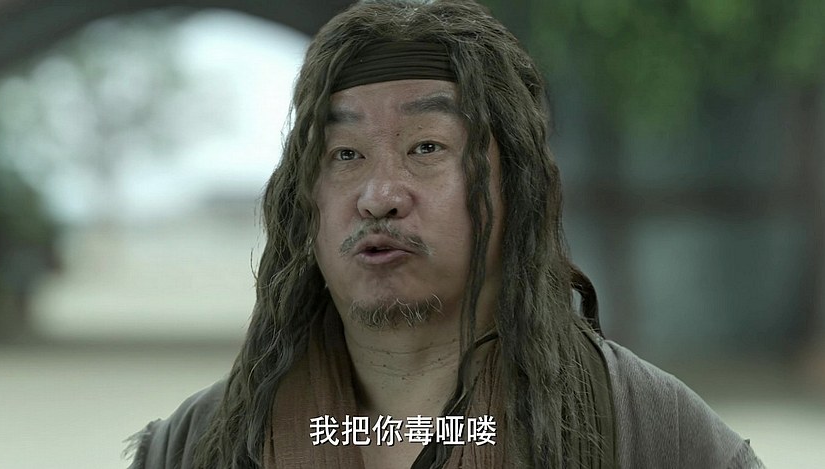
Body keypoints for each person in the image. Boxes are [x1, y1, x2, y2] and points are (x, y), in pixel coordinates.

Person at [126, 0, 764, 467]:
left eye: (426, 147)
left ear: (517, 185)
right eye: (345, 154)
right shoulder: (197, 446)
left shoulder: (651, 435)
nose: (379, 196)